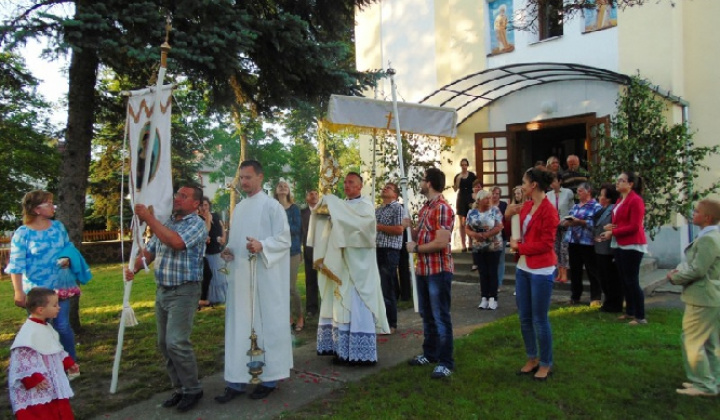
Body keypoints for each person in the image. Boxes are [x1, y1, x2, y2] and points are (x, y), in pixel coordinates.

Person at [124, 185, 207, 412]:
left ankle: (193, 389)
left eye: (184, 196)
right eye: (177, 194)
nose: (177, 198)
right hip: (163, 290)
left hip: (184, 291)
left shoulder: (197, 224)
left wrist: (149, 218)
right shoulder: (167, 222)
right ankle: (179, 388)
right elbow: (151, 251)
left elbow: (176, 242)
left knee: (176, 342)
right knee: (164, 343)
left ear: (196, 204)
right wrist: (136, 267)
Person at [215, 160, 292, 402]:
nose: (244, 182)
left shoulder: (273, 207)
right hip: (241, 280)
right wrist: (229, 251)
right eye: (242, 178)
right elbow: (236, 241)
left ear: (260, 177)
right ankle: (237, 380)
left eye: (248, 177)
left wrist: (262, 245)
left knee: (266, 325)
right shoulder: (239, 208)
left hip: (265, 280)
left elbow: (284, 239)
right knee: (239, 327)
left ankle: (269, 378)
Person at [311, 172, 389, 365]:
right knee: (340, 304)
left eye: (351, 182)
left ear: (360, 186)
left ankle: (361, 354)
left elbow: (364, 231)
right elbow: (328, 226)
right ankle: (342, 350)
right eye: (345, 182)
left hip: (359, 266)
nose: (347, 185)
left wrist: (336, 213)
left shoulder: (366, 206)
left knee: (357, 304)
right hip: (341, 262)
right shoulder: (340, 206)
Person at [7, 190, 80, 361]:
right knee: (42, 329)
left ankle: (69, 364)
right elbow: (16, 265)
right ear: (36, 209)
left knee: (62, 326)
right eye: (48, 203)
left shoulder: (58, 227)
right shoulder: (22, 234)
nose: (53, 207)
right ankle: (45, 365)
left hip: (60, 288)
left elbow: (68, 248)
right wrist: (18, 292)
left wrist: (68, 258)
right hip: (36, 292)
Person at [507, 168, 558, 381]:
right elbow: (513, 227)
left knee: (539, 319)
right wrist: (508, 216)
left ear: (534, 185)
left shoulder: (549, 211)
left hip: (541, 270)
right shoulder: (526, 205)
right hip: (523, 268)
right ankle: (532, 357)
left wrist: (520, 248)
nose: (522, 186)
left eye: (525, 182)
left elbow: (546, 244)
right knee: (524, 318)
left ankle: (546, 362)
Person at [406, 167, 455, 379]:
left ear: (431, 183)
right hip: (423, 270)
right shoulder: (426, 208)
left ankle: (446, 362)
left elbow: (441, 242)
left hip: (438, 270)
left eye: (423, 180)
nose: (421, 183)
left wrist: (415, 248)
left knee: (440, 316)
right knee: (427, 315)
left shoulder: (442, 208)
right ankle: (430, 353)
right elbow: (424, 235)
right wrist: (411, 229)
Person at [667, 199, 720, 397]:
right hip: (710, 296)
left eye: (697, 211)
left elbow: (698, 269)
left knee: (692, 340)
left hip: (703, 297)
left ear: (707, 217)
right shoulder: (711, 236)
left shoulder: (709, 239)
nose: (693, 213)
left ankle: (704, 385)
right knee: (711, 343)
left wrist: (675, 277)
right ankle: (713, 380)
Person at [8, 287, 80, 420]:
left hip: (51, 382)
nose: (58, 307)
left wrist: (68, 363)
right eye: (54, 305)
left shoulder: (47, 327)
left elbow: (55, 350)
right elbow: (22, 360)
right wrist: (33, 377)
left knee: (59, 411)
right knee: (43, 414)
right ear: (40, 310)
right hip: (39, 386)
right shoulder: (29, 332)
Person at [599, 171, 648, 325]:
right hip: (620, 243)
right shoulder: (620, 200)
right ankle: (630, 311)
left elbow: (634, 226)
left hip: (632, 244)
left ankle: (640, 316)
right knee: (624, 279)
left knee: (632, 280)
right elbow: (622, 221)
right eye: (617, 180)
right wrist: (611, 227)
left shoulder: (636, 200)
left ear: (630, 184)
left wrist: (612, 232)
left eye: (621, 180)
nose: (617, 183)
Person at [563, 182, 602, 306]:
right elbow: (569, 218)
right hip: (574, 241)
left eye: (580, 191)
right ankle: (575, 296)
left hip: (588, 242)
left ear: (588, 191)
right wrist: (567, 222)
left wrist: (580, 222)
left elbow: (597, 225)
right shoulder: (575, 206)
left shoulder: (596, 206)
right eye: (578, 191)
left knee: (592, 270)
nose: (578, 193)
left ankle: (595, 296)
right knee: (575, 270)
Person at [466, 189, 504, 310]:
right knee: (483, 273)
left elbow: (499, 226)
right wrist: (474, 234)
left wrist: (486, 235)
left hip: (493, 246)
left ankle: (493, 297)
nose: (489, 200)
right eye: (486, 198)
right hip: (478, 247)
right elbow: (466, 228)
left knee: (492, 272)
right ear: (479, 200)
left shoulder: (495, 210)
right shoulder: (472, 212)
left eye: (489, 198)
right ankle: (484, 297)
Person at [275, 180, 304, 332]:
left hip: (292, 251)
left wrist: (282, 225)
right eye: (280, 186)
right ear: (276, 190)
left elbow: (297, 228)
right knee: (280, 288)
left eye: (285, 186)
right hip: (277, 252)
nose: (283, 188)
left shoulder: (294, 209)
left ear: (288, 191)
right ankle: (288, 317)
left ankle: (299, 316)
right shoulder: (272, 207)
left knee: (291, 288)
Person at [376, 182, 404, 333]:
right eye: (384, 186)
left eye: (389, 187)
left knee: (387, 287)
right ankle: (381, 320)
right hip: (377, 250)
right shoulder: (378, 210)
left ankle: (391, 323)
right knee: (378, 287)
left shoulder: (397, 208)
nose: (385, 187)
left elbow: (399, 229)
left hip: (390, 251)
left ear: (395, 194)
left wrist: (379, 227)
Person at [593, 184, 623, 313]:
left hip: (608, 248)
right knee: (603, 276)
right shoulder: (601, 210)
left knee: (610, 277)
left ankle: (614, 303)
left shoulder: (613, 209)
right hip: (600, 247)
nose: (599, 197)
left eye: (601, 195)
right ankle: (608, 302)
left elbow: (615, 226)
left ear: (608, 198)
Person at [198, 197, 227, 308]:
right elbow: (206, 231)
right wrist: (206, 219)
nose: (204, 207)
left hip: (217, 249)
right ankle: (210, 298)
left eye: (206, 205)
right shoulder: (198, 219)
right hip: (207, 251)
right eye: (201, 205)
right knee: (211, 274)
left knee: (221, 274)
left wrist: (224, 238)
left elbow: (222, 227)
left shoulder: (215, 215)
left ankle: (222, 296)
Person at [546, 173, 574, 283]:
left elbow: (572, 208)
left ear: (560, 181)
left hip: (565, 223)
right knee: (555, 248)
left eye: (554, 181)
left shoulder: (568, 193)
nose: (552, 183)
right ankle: (559, 272)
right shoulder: (548, 195)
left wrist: (569, 220)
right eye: (551, 182)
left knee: (564, 248)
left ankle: (565, 273)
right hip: (554, 225)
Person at [300, 189, 320, 316]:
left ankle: (327, 307)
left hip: (324, 249)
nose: (313, 196)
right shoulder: (301, 213)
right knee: (311, 279)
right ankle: (312, 308)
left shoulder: (324, 211)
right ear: (306, 197)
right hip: (308, 249)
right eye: (310, 194)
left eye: (316, 194)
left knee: (326, 279)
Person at [453, 158, 477, 252]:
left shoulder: (472, 175)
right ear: (460, 166)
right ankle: (463, 245)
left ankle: (470, 243)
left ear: (467, 165)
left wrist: (475, 197)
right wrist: (458, 180)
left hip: (470, 198)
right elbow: (455, 189)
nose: (464, 166)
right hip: (461, 198)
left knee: (470, 221)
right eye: (462, 165)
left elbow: (477, 186)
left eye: (465, 165)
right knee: (462, 223)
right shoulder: (457, 176)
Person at [491, 186, 508, 287]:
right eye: (493, 193)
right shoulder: (487, 205)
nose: (495, 196)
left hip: (502, 235)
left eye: (497, 194)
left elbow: (506, 219)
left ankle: (499, 283)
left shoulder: (504, 205)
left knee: (501, 260)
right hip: (490, 236)